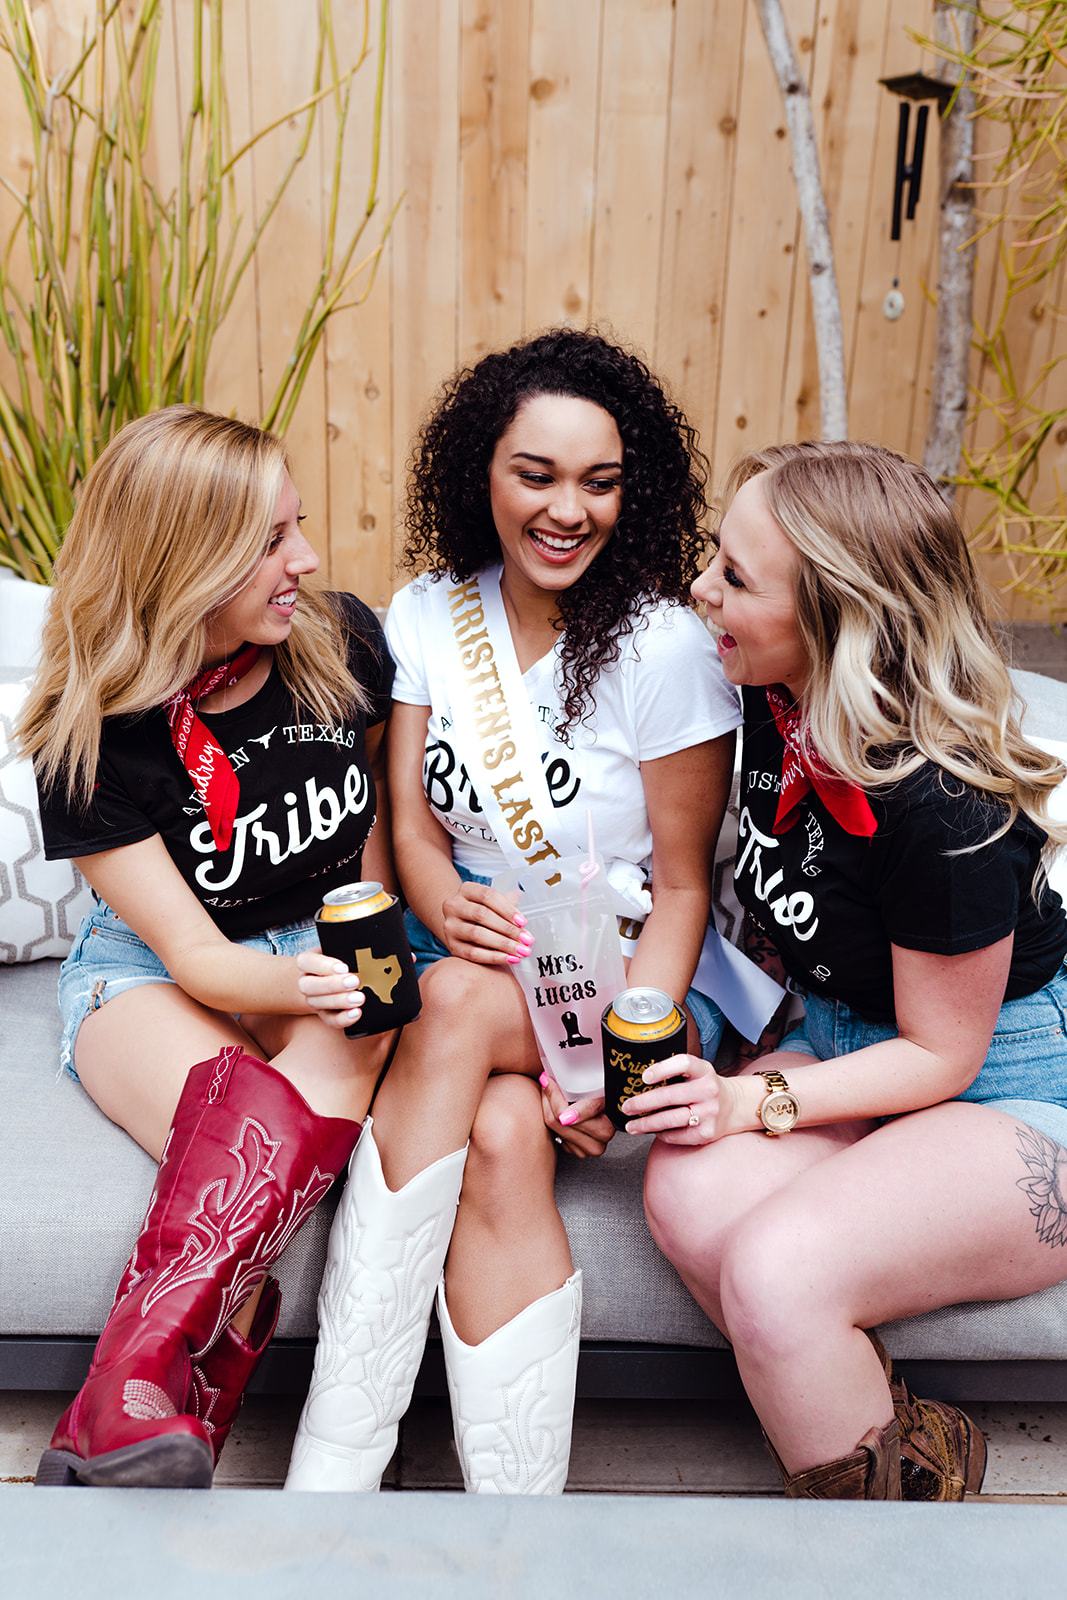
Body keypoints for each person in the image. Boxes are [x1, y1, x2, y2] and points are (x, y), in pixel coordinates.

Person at [285, 328, 742, 1493]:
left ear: (633, 492)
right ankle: (516, 1529)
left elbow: (684, 887)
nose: (566, 511)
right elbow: (410, 827)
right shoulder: (429, 613)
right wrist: (437, 895)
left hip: (622, 983)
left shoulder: (666, 648)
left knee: (443, 1007)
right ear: (478, 471)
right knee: (496, 1130)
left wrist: (611, 1064)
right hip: (469, 961)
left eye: (599, 482)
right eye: (535, 475)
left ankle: (330, 1469)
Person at [629, 439, 1067, 1501]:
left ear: (835, 615)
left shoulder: (945, 806)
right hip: (840, 1037)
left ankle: (886, 1546)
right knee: (686, 1194)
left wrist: (746, 1098)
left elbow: (938, 1054)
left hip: (1005, 1082)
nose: (701, 590)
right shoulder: (772, 699)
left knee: (778, 1272)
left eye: (735, 578)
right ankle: (901, 1445)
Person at [18, 406, 396, 1488]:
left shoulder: (341, 642)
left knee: (350, 1043)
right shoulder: (91, 736)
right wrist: (314, 984)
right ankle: (142, 1416)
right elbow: (190, 954)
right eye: (270, 541)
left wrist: (366, 951)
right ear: (184, 560)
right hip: (149, 967)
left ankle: (119, 1415)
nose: (306, 560)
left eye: (297, 526)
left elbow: (377, 819)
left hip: (320, 940)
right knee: (248, 1133)